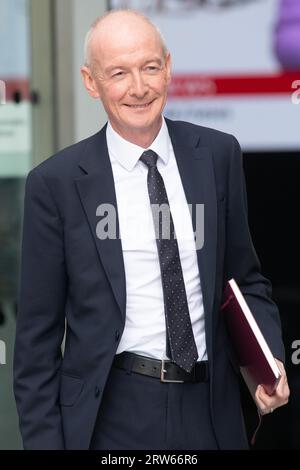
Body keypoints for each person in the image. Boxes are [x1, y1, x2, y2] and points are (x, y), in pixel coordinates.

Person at [13, 9, 289, 450]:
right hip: (113, 413)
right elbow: (36, 345)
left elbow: (246, 280)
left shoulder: (217, 155)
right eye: (118, 73)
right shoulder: (56, 185)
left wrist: (268, 359)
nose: (138, 88)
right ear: (91, 82)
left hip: (212, 410)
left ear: (169, 68)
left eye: (150, 67)